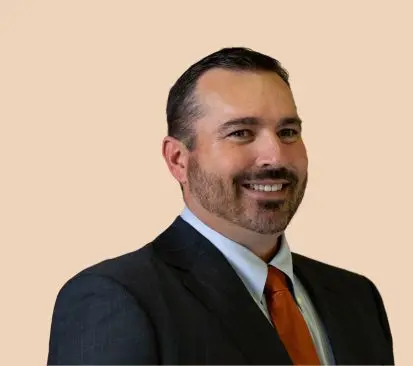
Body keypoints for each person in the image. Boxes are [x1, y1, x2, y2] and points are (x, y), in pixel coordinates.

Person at [47, 47, 395, 365]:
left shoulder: (356, 298)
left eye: (288, 131)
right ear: (178, 159)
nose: (275, 155)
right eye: (241, 133)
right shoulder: (116, 298)